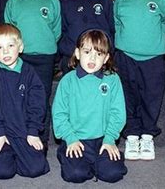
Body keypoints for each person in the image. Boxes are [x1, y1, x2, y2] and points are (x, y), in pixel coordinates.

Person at [114, 0, 165, 161]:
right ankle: (131, 136)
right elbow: (116, 26)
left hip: (153, 60)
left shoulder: (162, 2)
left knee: (151, 98)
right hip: (126, 58)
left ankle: (147, 136)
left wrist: (157, 44)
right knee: (128, 98)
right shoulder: (120, 2)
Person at [52, 29, 127, 183]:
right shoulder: (68, 81)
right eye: (87, 52)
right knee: (75, 175)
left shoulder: (112, 80)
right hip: (76, 139)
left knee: (113, 174)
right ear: (78, 54)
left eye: (99, 54)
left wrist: (110, 139)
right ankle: (67, 153)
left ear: (106, 58)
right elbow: (59, 114)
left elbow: (118, 113)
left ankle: (99, 162)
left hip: (102, 139)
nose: (92, 57)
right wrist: (70, 138)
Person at [4, 0, 61, 148]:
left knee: (40, 98)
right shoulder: (13, 2)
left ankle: (41, 140)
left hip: (45, 58)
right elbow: (9, 32)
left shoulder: (52, 2)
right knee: (19, 97)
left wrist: (44, 45)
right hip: (20, 59)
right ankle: (19, 137)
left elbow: (56, 30)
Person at [0, 24, 50, 179]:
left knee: (36, 169)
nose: (6, 51)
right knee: (2, 172)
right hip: (1, 133)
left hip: (24, 132)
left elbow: (38, 105)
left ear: (20, 47)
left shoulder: (30, 73)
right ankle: (1, 155)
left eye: (10, 45)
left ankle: (22, 156)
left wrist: (33, 131)